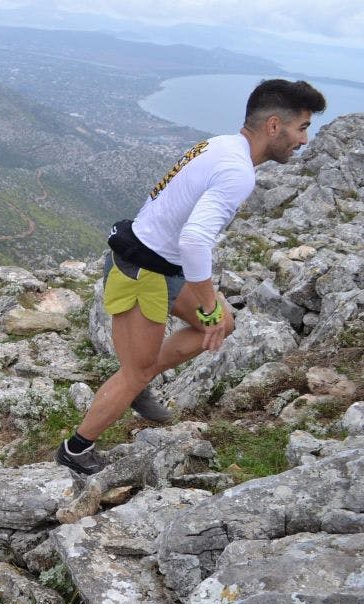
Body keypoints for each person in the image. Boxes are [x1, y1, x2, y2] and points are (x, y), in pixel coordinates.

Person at [55, 78, 326, 476]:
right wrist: (209, 300)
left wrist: (211, 308)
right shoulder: (237, 171)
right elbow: (195, 240)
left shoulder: (218, 144)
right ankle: (75, 450)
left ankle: (138, 379)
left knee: (218, 327)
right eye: (301, 127)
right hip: (142, 271)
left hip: (161, 265)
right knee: (144, 365)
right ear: (273, 126)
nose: (304, 140)